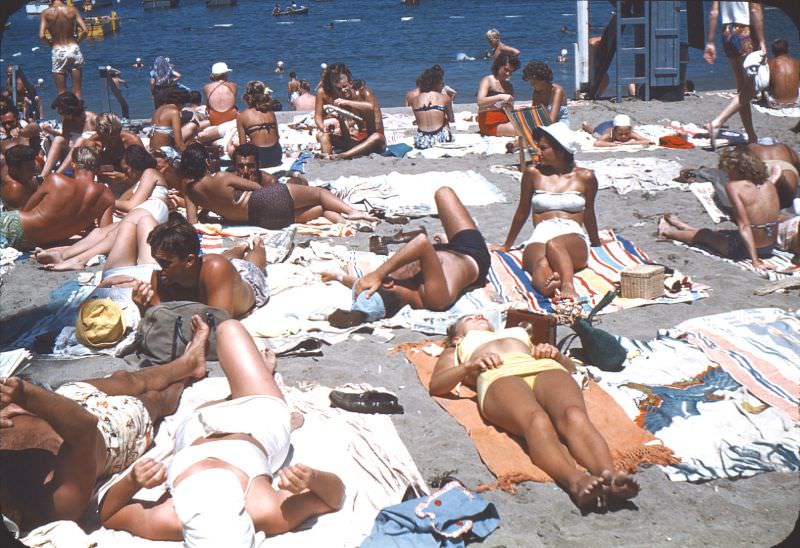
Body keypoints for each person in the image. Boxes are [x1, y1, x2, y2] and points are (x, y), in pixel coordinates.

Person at [98, 317, 345, 545]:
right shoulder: (267, 510)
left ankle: (219, 371)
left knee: (175, 391)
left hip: (196, 427)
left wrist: (131, 481)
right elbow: (334, 497)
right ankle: (263, 380)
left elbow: (109, 513)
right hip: (258, 420)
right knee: (229, 328)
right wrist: (313, 478)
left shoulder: (168, 519)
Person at [0, 319, 210, 534]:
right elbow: (84, 430)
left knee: (127, 380)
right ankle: (183, 381)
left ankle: (187, 364)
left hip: (61, 402)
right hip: (109, 432)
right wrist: (29, 397)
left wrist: (17, 403)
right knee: (156, 400)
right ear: (14, 515)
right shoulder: (53, 507)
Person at [429, 314, 639, 510]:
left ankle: (609, 477)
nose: (478, 316)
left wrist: (556, 355)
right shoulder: (457, 348)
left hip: (544, 367)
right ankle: (576, 481)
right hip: (498, 375)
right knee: (536, 420)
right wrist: (468, 367)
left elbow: (571, 369)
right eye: (468, 318)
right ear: (456, 337)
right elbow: (437, 385)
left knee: (574, 414)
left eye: (480, 315)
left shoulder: (515, 332)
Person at [325, 187, 491, 325]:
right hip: (469, 253)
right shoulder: (434, 298)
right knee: (443, 193)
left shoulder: (400, 286)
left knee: (442, 197)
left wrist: (337, 276)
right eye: (386, 277)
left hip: (440, 254)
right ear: (389, 284)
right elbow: (421, 242)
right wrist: (379, 273)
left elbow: (359, 284)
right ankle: (445, 241)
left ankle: (444, 241)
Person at [495, 123, 602, 301]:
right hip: (540, 233)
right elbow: (522, 211)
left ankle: (568, 286)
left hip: (572, 234)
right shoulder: (532, 174)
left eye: (543, 148)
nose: (538, 152)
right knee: (540, 264)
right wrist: (507, 245)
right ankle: (548, 286)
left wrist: (595, 241)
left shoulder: (585, 177)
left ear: (560, 150)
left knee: (555, 245)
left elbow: (589, 212)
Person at [35, 145, 171, 271]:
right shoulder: (140, 181)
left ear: (135, 165)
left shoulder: (150, 172)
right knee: (98, 232)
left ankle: (78, 259)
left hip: (152, 208)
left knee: (114, 234)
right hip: (146, 211)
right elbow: (125, 202)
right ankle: (63, 254)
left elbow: (131, 205)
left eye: (127, 169)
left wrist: (102, 198)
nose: (127, 173)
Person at [179, 144, 373, 229]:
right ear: (205, 163)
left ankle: (344, 223)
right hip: (264, 201)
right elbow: (255, 187)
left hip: (260, 220)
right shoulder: (221, 177)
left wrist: (212, 210)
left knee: (319, 209)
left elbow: (193, 222)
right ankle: (353, 212)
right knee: (320, 193)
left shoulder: (190, 192)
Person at [659, 147, 781, 269]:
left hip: (745, 249)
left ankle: (667, 231)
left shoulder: (734, 187)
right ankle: (685, 227)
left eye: (727, 170)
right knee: (722, 232)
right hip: (769, 246)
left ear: (735, 169)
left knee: (704, 235)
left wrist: (755, 261)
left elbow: (744, 226)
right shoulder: (768, 184)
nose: (727, 174)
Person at [0, 145, 113, 250]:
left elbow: (26, 210)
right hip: (31, 243)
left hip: (14, 227)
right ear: (97, 168)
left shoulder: (56, 180)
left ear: (73, 165)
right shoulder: (107, 196)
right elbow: (104, 234)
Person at [704, 1, 766, 147]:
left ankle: (751, 136)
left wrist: (710, 41)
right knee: (752, 88)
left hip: (727, 32)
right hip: (745, 31)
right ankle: (717, 122)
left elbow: (714, 12)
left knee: (742, 88)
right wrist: (762, 40)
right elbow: (755, 10)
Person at [315, 63, 386, 160]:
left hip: (376, 142)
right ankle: (327, 157)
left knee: (377, 137)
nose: (343, 90)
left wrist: (346, 102)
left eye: (345, 86)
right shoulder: (341, 98)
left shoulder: (363, 93)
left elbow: (370, 107)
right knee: (321, 135)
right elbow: (346, 134)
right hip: (359, 142)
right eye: (339, 89)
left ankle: (344, 155)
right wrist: (329, 126)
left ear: (350, 83)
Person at [64, 112, 145, 188]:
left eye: (113, 138)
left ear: (119, 131)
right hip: (104, 183)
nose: (110, 142)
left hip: (130, 180)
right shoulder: (92, 143)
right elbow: (84, 171)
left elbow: (144, 170)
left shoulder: (131, 141)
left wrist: (125, 178)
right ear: (99, 133)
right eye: (105, 138)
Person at [39, 91, 96, 178]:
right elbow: (65, 139)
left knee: (80, 141)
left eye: (61, 111)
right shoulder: (67, 122)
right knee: (58, 139)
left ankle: (57, 175)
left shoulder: (92, 119)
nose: (60, 114)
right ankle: (43, 176)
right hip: (72, 153)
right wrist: (51, 131)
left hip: (89, 154)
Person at [39, 0, 87, 99]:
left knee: (62, 92)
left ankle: (65, 114)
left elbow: (41, 35)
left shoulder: (46, 13)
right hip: (73, 48)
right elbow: (85, 31)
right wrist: (77, 42)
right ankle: (79, 113)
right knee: (77, 90)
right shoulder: (73, 10)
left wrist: (50, 44)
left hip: (58, 49)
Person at [237, 81, 283, 169]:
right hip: (276, 156)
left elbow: (243, 146)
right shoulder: (271, 112)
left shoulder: (242, 116)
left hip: (259, 159)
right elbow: (277, 137)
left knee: (232, 150)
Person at [149, 86, 197, 163]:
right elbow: (179, 144)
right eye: (184, 105)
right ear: (181, 102)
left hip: (154, 153)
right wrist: (192, 158)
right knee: (193, 127)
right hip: (165, 155)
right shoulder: (174, 112)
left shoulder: (158, 110)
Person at [410, 66, 454, 150]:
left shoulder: (414, 100)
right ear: (437, 83)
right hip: (440, 140)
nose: (443, 85)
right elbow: (451, 119)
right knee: (445, 120)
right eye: (442, 83)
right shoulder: (445, 98)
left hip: (421, 141)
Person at [477, 53, 519, 137]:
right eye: (506, 69)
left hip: (505, 120)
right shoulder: (488, 80)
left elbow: (510, 110)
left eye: (511, 71)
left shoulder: (509, 86)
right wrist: (500, 96)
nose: (508, 74)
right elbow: (480, 102)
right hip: (489, 123)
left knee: (526, 126)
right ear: (498, 66)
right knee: (519, 130)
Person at [0, 144, 39, 210]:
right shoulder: (15, 191)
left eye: (33, 166)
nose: (34, 171)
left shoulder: (9, 164)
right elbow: (25, 216)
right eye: (29, 169)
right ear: (14, 170)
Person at [582, 114, 653, 147]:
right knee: (594, 133)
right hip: (603, 127)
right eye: (620, 134)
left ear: (630, 130)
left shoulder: (630, 132)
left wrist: (630, 143)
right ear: (615, 131)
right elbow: (596, 143)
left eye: (626, 134)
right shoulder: (609, 133)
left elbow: (647, 141)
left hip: (617, 124)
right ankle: (586, 126)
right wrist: (613, 144)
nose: (623, 136)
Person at [766, 38, 799, 107]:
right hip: (795, 102)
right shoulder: (797, 63)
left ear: (773, 51)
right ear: (787, 49)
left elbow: (764, 83)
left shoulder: (769, 64)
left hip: (776, 103)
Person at [204, 62, 238, 127]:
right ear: (225, 74)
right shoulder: (233, 86)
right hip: (231, 118)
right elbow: (233, 103)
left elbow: (208, 105)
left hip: (214, 120)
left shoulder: (206, 87)